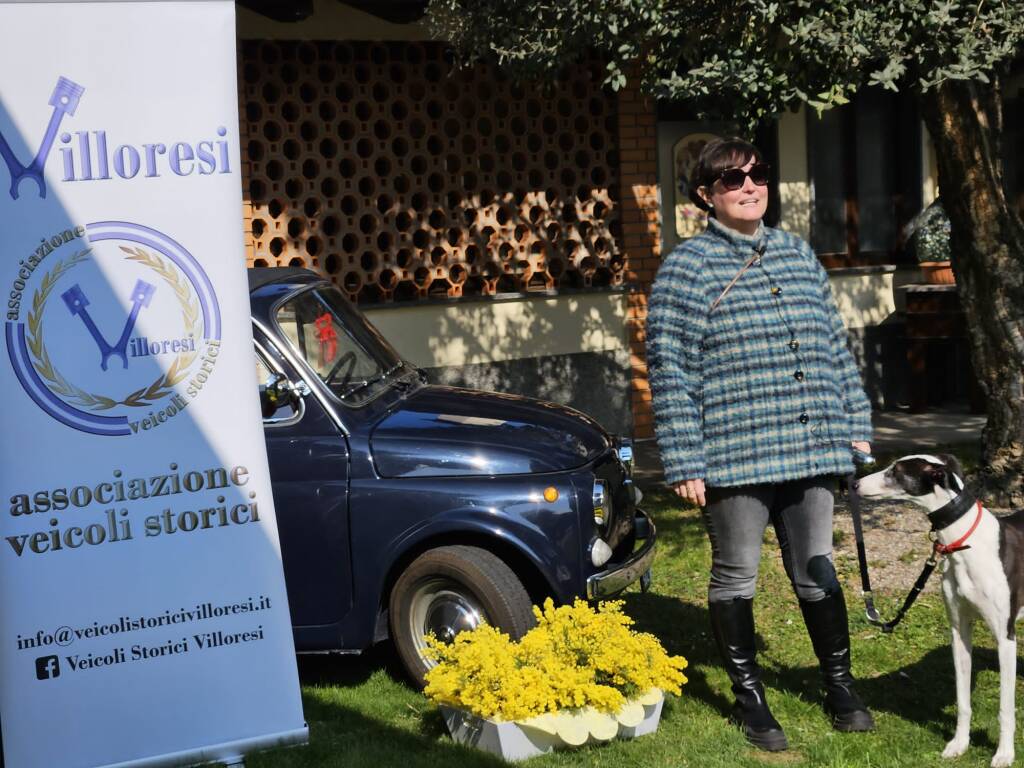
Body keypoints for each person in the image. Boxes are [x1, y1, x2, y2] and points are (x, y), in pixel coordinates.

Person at [646, 137, 875, 751]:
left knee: (817, 569)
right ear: (706, 196)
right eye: (731, 180)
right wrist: (685, 459)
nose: (748, 187)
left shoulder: (799, 255)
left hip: (813, 443)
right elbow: (669, 370)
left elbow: (834, 346)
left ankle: (840, 686)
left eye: (758, 176)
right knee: (736, 575)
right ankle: (751, 700)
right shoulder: (685, 269)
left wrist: (856, 420)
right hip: (733, 450)